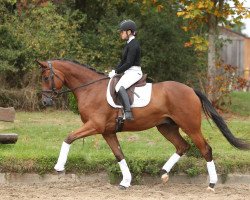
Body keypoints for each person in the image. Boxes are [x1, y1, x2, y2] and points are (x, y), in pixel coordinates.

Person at [109, 19, 142, 120]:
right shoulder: (129, 44)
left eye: (122, 31)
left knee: (119, 86)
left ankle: (128, 112)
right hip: (129, 71)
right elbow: (123, 62)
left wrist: (117, 72)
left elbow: (129, 63)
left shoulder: (134, 44)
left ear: (129, 32)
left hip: (134, 72)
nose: (121, 33)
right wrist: (115, 71)